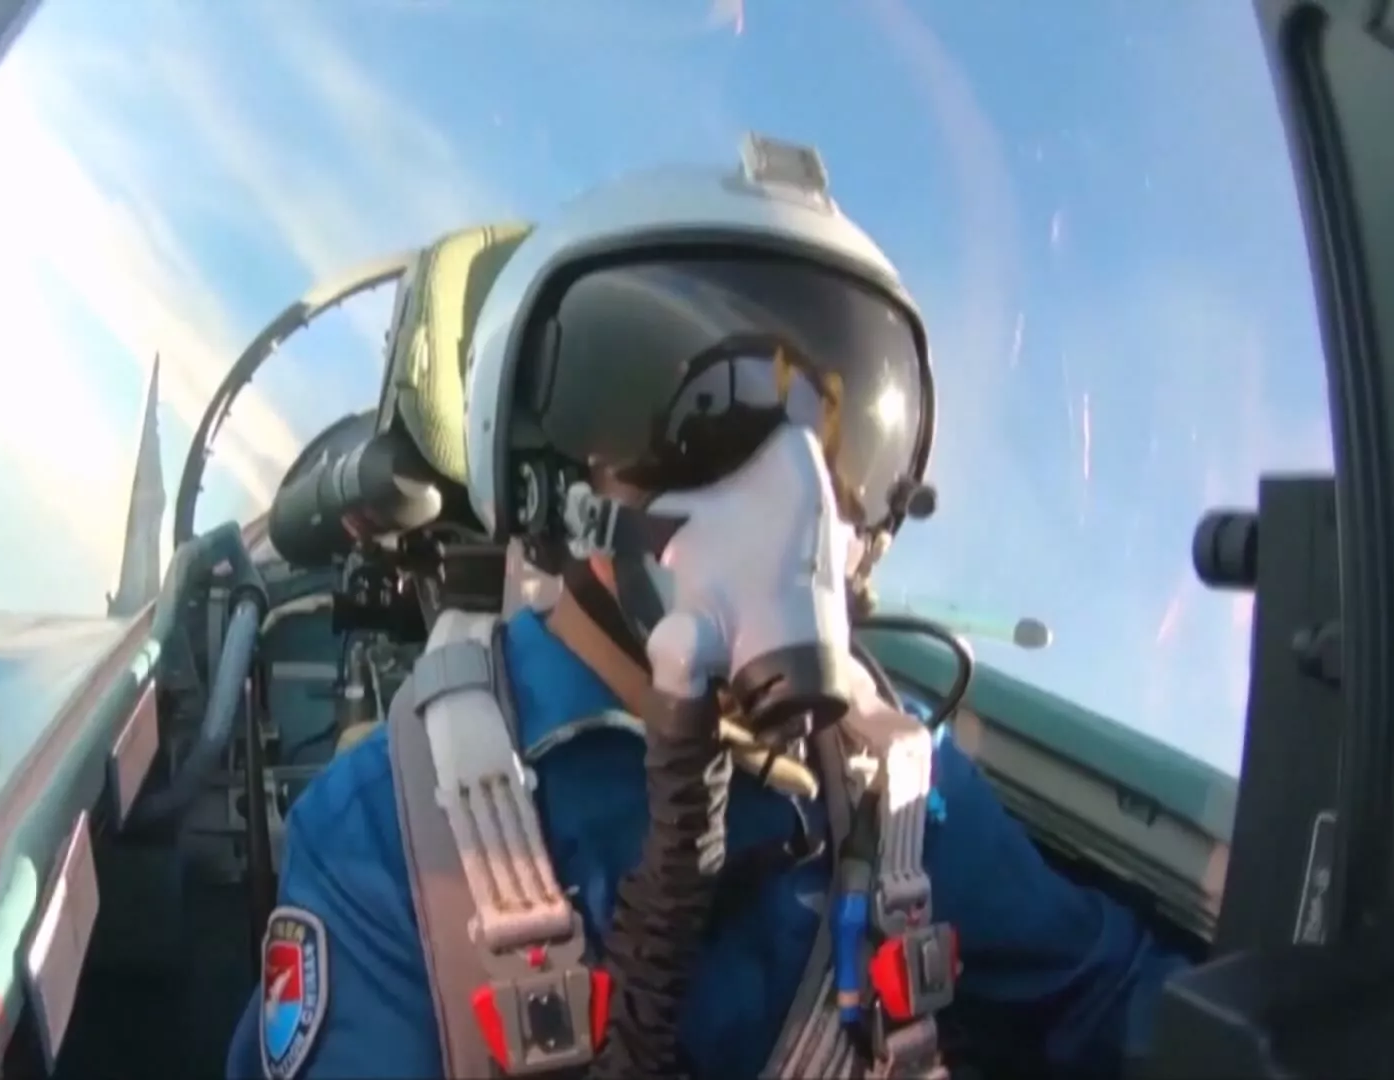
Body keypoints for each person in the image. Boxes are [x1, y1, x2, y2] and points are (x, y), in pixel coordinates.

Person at [226, 136, 1188, 1080]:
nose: (798, 493)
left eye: (845, 449)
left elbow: (1116, 1000)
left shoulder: (903, 794)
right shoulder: (392, 835)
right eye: (704, 427)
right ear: (542, 472)